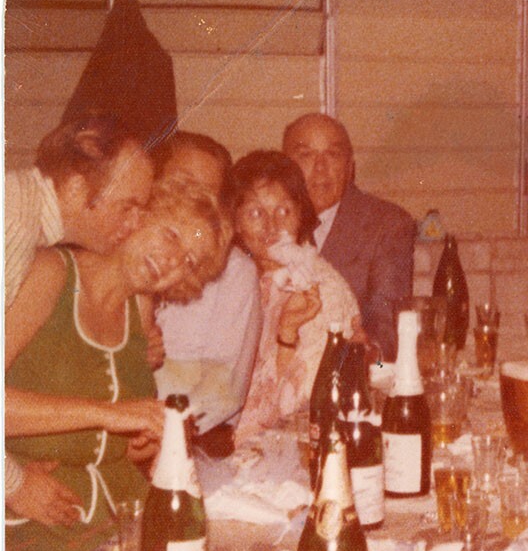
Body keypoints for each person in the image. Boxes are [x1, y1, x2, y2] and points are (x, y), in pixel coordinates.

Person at [5, 180, 231, 551]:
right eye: (171, 234)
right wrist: (110, 413)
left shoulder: (140, 311)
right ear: (137, 217)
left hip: (120, 524)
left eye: (189, 261)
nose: (172, 261)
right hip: (39, 524)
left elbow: (118, 448)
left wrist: (148, 441)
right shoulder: (52, 272)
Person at [4, 112, 155, 528]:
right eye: (128, 206)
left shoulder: (21, 209)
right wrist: (13, 484)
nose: (135, 223)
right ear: (73, 188)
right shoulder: (13, 227)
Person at [224, 151, 360, 446]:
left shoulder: (320, 288)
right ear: (235, 222)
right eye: (255, 213)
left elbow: (303, 406)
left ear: (301, 214)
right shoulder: (238, 280)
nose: (272, 226)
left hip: (283, 448)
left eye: (284, 211)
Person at [152, 132, 263, 449]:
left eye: (207, 192)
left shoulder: (234, 272)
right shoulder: (126, 254)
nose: (192, 201)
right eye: (182, 183)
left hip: (191, 440)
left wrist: (157, 436)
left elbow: (223, 393)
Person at [282, 113, 416, 360]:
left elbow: (386, 322)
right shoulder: (266, 224)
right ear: (285, 166)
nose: (320, 168)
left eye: (333, 155)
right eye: (306, 155)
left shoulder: (386, 225)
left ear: (350, 166)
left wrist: (369, 349)